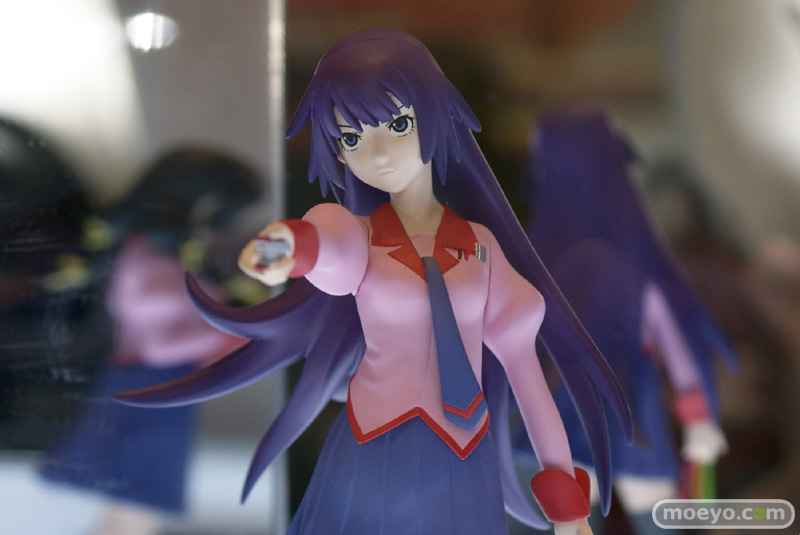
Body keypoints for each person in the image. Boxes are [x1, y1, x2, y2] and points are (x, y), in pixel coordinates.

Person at [116, 29, 631, 535]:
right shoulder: (360, 238)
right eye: (351, 138)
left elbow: (528, 381)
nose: (378, 153)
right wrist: (284, 249)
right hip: (373, 449)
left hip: (464, 462)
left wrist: (568, 509)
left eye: (399, 124)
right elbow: (324, 245)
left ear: (434, 116)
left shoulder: (482, 247)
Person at [516, 106, 736, 534]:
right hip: (587, 419)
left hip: (615, 417)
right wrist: (698, 419)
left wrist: (699, 420)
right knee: (596, 513)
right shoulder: (547, 271)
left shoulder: (550, 271)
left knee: (633, 512)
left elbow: (676, 346)